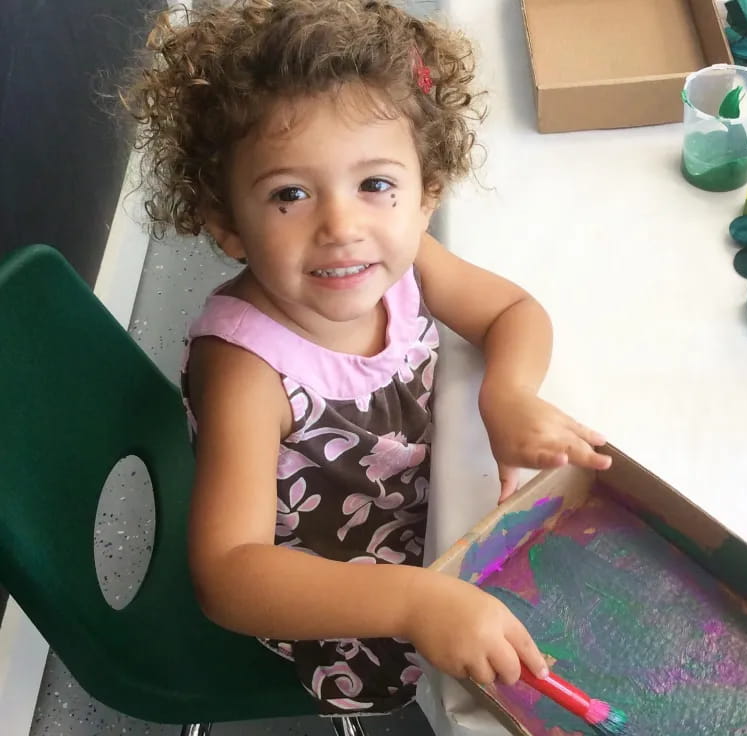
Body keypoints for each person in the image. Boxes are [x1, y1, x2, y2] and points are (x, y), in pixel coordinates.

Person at [124, 0, 612, 716]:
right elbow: (229, 577)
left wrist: (506, 395)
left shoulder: (405, 258)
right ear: (226, 223)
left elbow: (513, 312)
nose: (343, 227)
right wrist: (414, 604)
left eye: (375, 184)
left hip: (434, 514)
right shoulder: (246, 370)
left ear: (426, 195)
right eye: (289, 194)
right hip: (346, 596)